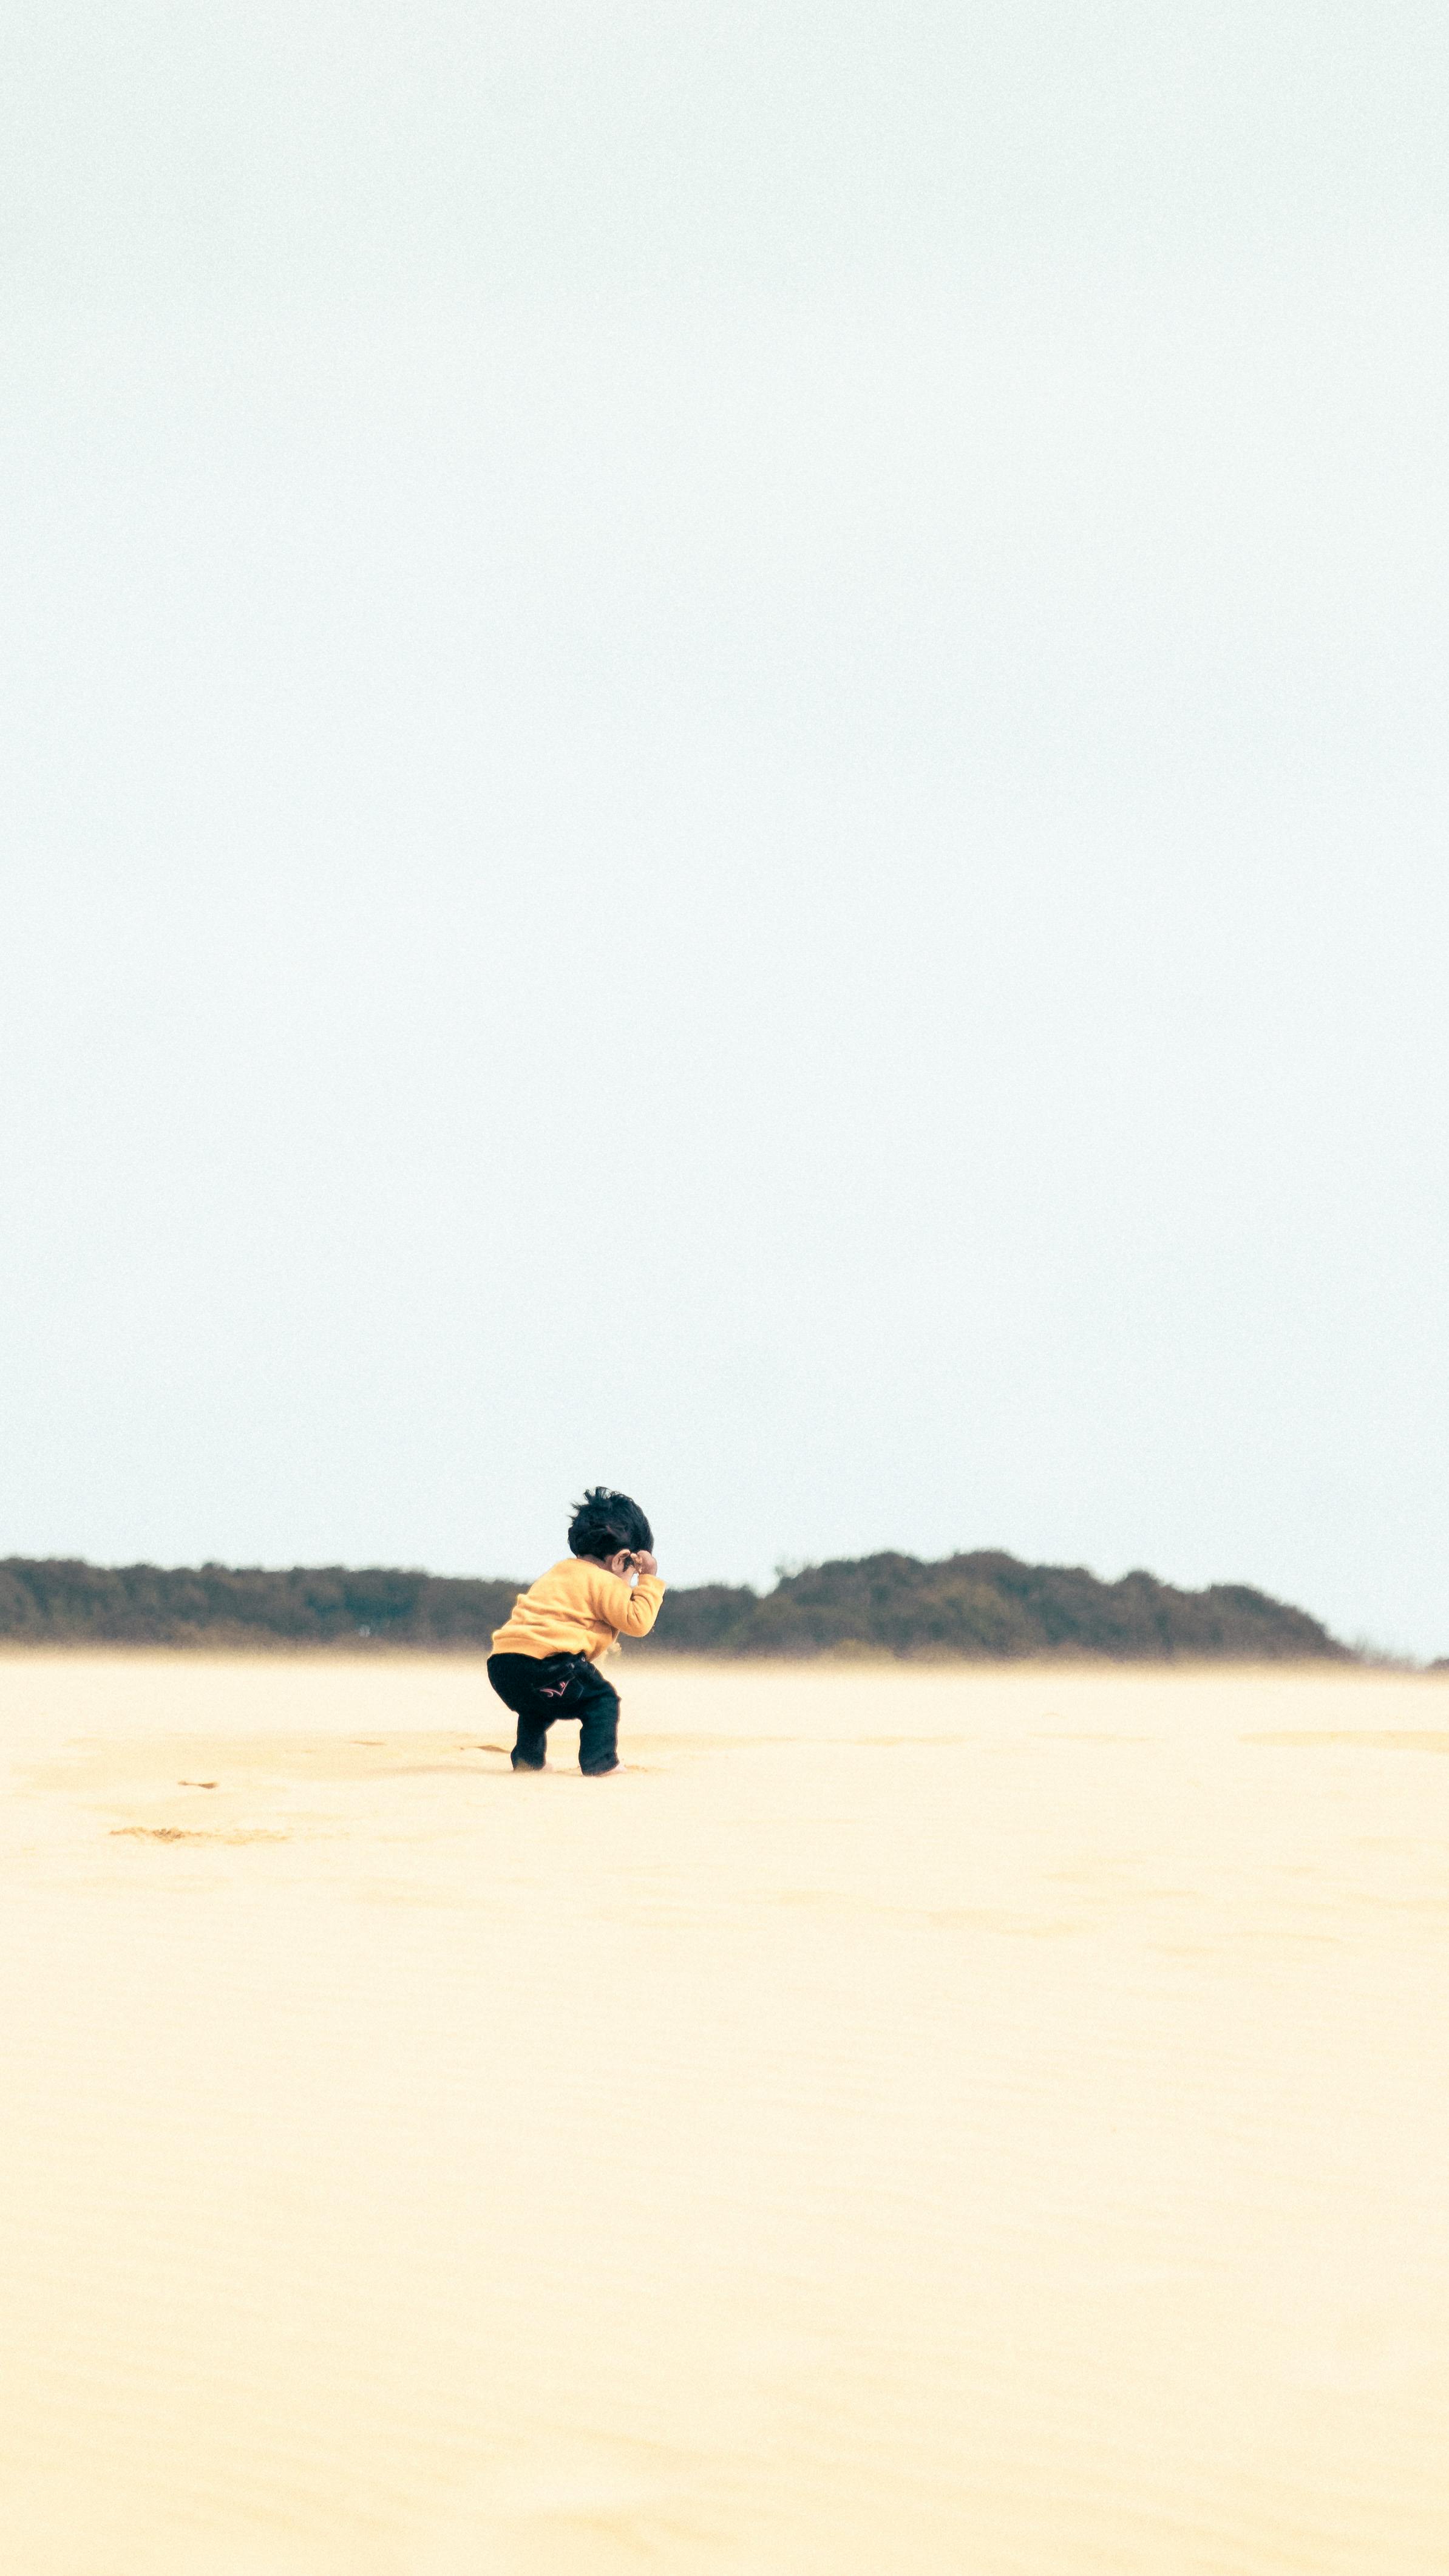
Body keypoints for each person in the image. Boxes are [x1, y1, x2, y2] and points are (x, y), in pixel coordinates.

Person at [487, 1488, 665, 1775]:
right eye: (632, 1573)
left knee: (536, 1707)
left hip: (503, 1666)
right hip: (550, 1665)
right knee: (601, 1700)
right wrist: (649, 1580)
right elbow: (638, 1622)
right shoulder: (604, 1580)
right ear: (621, 1560)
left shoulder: (559, 1572)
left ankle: (528, 1761)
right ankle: (600, 1764)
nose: (631, 1581)